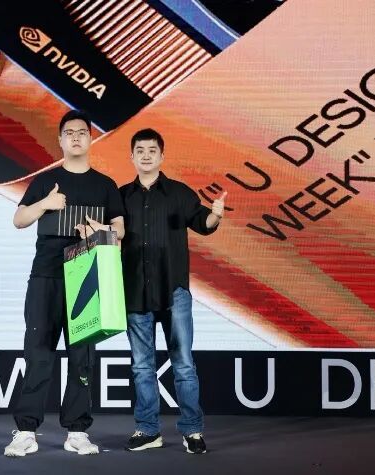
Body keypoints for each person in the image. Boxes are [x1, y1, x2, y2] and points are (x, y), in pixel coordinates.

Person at [4, 110, 125, 457]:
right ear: (60, 140)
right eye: (69, 132)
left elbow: (120, 230)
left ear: (91, 138)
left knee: (82, 357)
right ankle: (26, 431)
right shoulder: (45, 182)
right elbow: (19, 220)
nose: (75, 137)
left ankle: (77, 431)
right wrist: (46, 203)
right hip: (46, 277)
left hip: (87, 277)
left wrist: (101, 231)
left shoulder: (105, 185)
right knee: (38, 352)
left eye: (82, 132)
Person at [120, 128, 227, 454]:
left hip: (174, 290)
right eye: (140, 150)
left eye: (152, 150)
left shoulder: (180, 193)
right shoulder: (121, 196)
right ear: (132, 156)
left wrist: (215, 216)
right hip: (135, 291)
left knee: (183, 364)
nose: (146, 155)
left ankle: (192, 431)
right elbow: (110, 234)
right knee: (142, 366)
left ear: (162, 156)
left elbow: (203, 224)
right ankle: (147, 430)